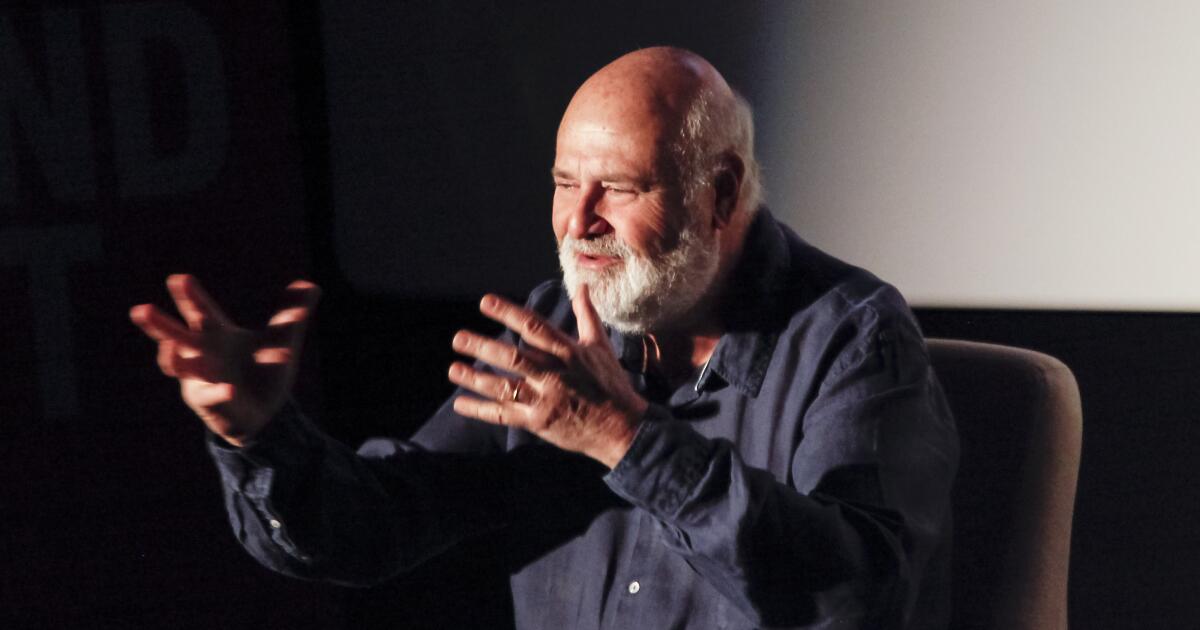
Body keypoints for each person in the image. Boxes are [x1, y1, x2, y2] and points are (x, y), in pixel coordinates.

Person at [130, 47, 958, 629]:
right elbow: (379, 526)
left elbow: (859, 601)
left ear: (719, 191)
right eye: (565, 183)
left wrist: (626, 438)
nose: (578, 222)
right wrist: (260, 435)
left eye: (618, 188)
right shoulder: (557, 323)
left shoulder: (854, 337)